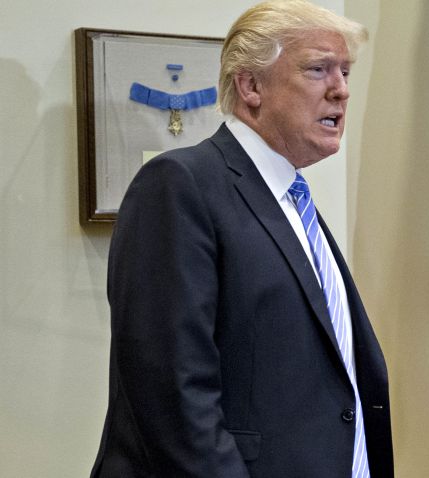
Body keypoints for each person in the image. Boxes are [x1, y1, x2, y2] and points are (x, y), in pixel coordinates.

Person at [89, 1, 393, 476]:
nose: (340, 91)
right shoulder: (179, 184)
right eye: (318, 69)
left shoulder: (293, 198)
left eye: (346, 72)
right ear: (251, 85)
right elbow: (172, 397)